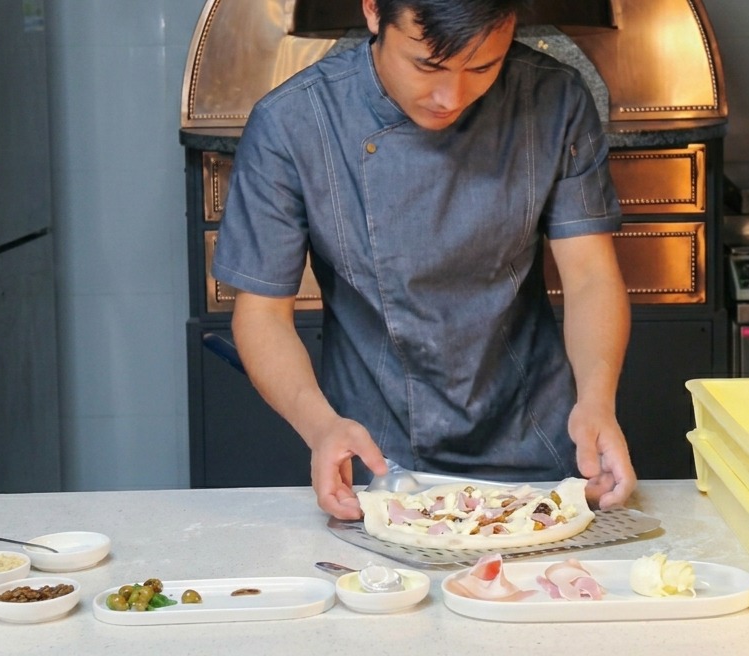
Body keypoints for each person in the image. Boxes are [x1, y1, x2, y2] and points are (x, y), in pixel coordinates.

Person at [213, 0, 637, 520]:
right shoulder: (294, 122)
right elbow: (261, 314)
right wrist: (321, 427)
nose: (450, 96)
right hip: (377, 460)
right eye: (427, 65)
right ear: (374, 11)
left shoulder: (554, 98)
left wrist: (596, 402)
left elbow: (591, 276)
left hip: (539, 448)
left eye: (483, 67)